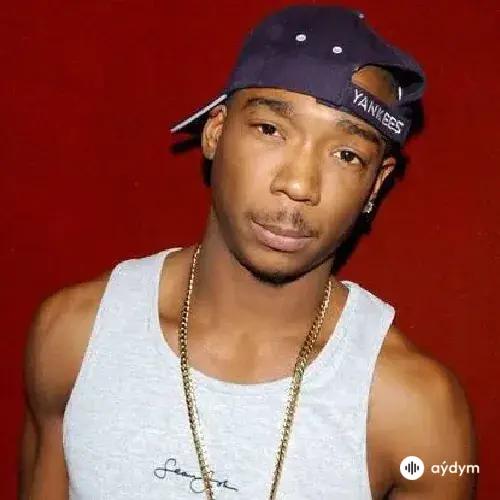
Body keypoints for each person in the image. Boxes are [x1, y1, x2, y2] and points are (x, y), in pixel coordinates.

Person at [19, 5, 477, 499]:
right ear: (215, 131)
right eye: (270, 130)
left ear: (376, 184)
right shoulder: (74, 336)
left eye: (346, 155)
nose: (299, 184)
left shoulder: (417, 413)